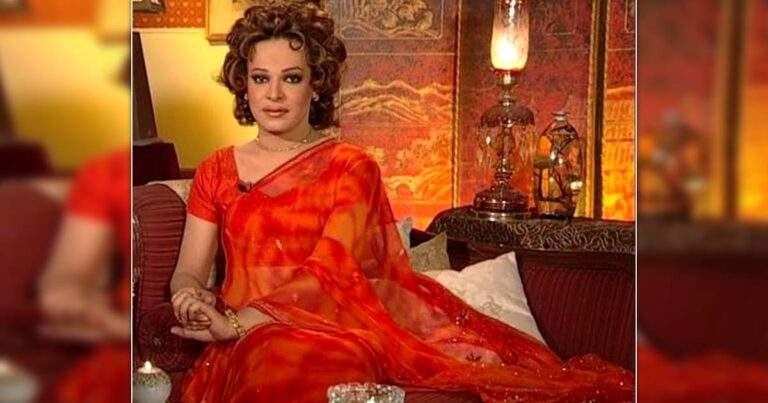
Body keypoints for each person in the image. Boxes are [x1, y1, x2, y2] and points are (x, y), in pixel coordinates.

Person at [169, 1, 633, 401]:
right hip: (241, 335)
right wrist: (188, 297)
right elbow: (189, 268)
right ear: (244, 84)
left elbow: (331, 271)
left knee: (282, 360)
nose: (273, 94)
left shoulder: (351, 167)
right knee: (262, 355)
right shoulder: (217, 170)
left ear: (316, 84)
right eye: (260, 78)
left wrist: (239, 323)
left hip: (329, 332)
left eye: (291, 78)